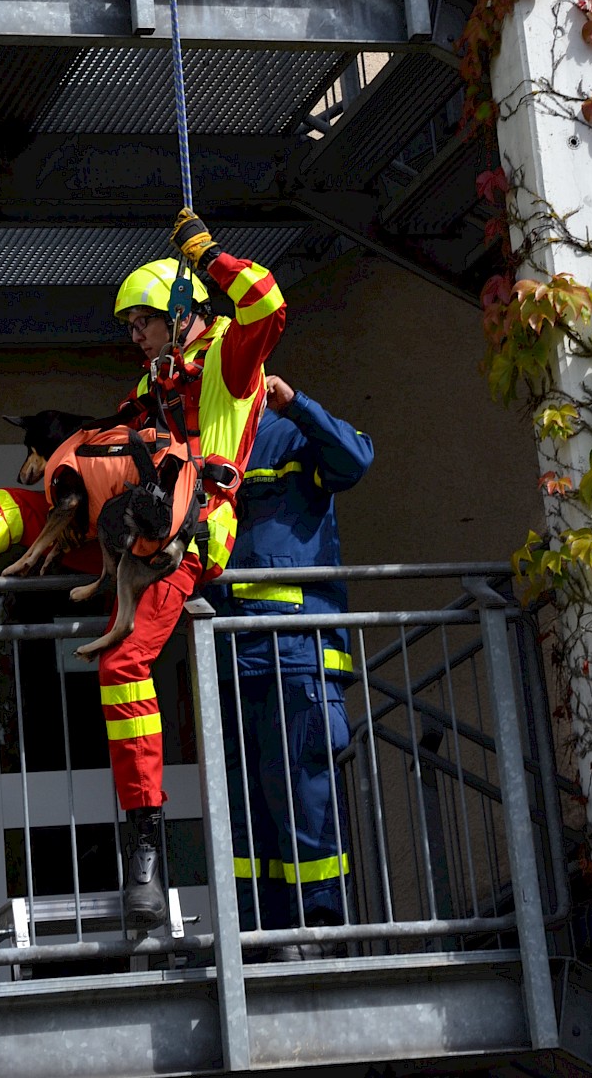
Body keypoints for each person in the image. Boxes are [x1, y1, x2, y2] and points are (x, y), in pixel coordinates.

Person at [0, 209, 286, 928]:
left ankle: (144, 847)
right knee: (13, 505)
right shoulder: (152, 390)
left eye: (142, 320)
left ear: (180, 314)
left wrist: (208, 257)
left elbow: (268, 300)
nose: (133, 335)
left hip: (188, 541)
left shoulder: (231, 365)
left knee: (122, 667)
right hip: (128, 535)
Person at [218, 377, 373, 952]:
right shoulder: (205, 449)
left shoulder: (286, 434)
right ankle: (256, 938)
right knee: (243, 815)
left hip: (297, 658)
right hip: (232, 661)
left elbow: (354, 458)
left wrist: (296, 405)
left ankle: (321, 936)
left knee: (305, 804)